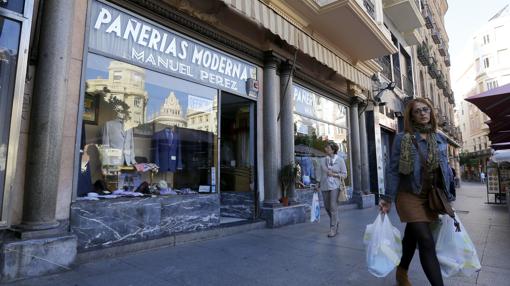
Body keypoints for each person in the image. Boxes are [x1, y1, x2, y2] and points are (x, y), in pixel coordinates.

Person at [379, 98, 455, 286]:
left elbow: (445, 169)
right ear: (411, 116)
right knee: (426, 241)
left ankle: (401, 271)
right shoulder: (402, 139)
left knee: (412, 237)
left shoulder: (439, 139)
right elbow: (393, 169)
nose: (422, 113)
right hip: (408, 195)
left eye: (426, 109)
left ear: (431, 113)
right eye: (417, 111)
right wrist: (388, 198)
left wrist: (449, 196)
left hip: (430, 196)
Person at [319, 141, 347, 237]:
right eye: (326, 147)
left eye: (327, 148)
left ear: (333, 149)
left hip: (335, 186)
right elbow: (320, 173)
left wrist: (334, 174)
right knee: (327, 207)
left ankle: (333, 229)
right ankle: (336, 220)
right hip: (324, 185)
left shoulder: (340, 160)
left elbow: (344, 175)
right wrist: (317, 184)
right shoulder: (322, 160)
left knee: (333, 206)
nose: (325, 149)